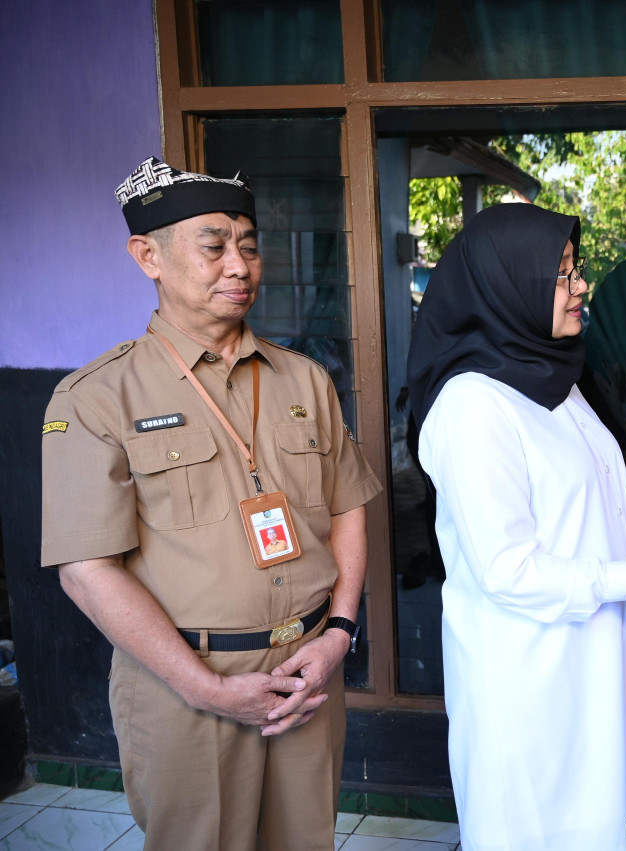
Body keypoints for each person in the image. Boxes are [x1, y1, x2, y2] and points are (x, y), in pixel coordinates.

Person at [40, 157, 382, 850]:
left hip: (304, 672)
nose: (239, 264)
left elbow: (349, 506)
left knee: (303, 840)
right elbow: (86, 568)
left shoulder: (305, 378)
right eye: (214, 244)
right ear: (148, 256)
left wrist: (338, 635)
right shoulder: (97, 398)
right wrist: (203, 687)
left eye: (249, 246)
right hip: (183, 688)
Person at [405, 203, 626, 851]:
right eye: (561, 274)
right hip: (528, 677)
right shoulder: (474, 408)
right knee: (537, 829)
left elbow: (587, 486)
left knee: (588, 824)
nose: (581, 285)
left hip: (583, 655)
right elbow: (509, 568)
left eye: (575, 269)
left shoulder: (546, 373)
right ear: (508, 286)